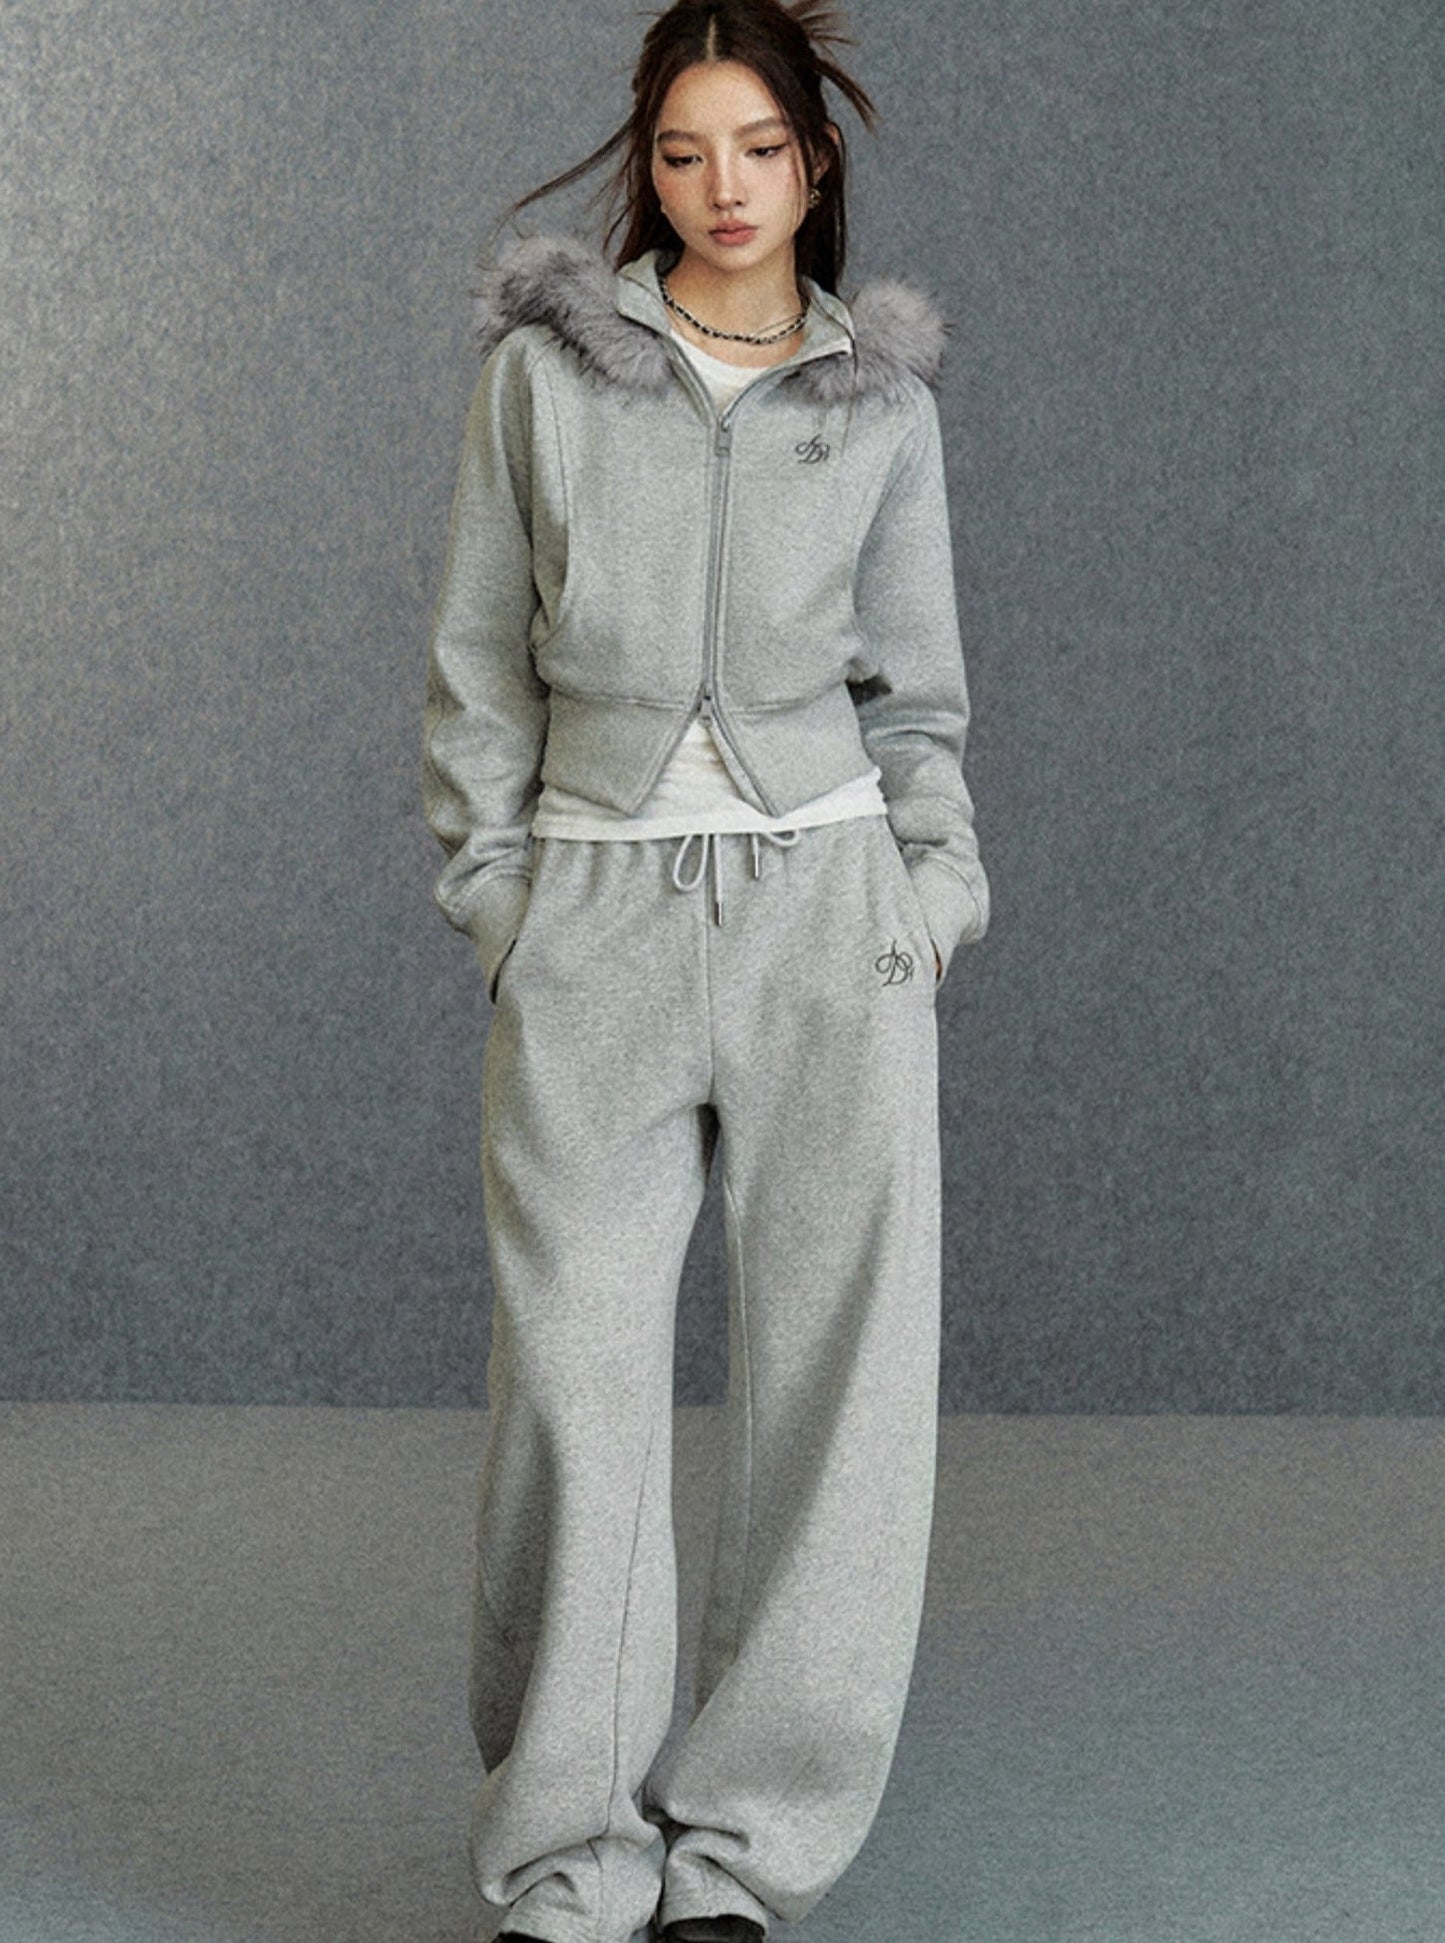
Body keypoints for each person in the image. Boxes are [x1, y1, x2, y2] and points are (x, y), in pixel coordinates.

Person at [422, 3, 988, 1938]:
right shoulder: (544, 379)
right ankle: (565, 1863)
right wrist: (501, 902)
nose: (719, 188)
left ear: (812, 164)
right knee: (573, 1388)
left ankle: (739, 1855)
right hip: (594, 924)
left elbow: (917, 698)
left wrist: (928, 898)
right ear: (644, 166)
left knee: (839, 1396)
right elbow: (476, 662)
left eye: (756, 149)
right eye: (681, 152)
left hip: (833, 920)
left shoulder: (877, 407)